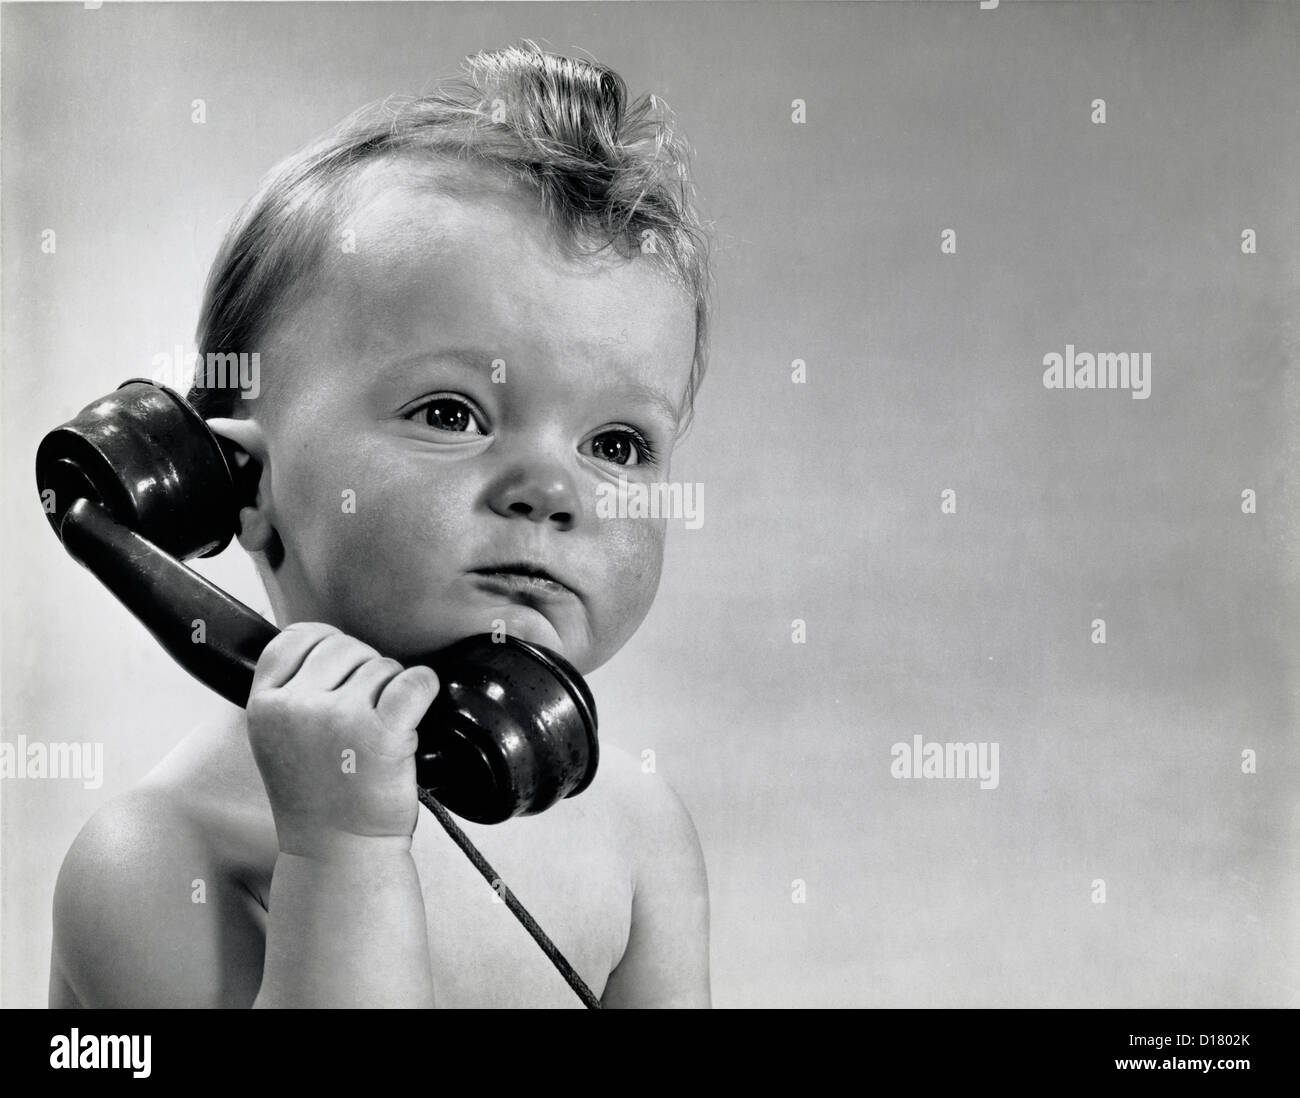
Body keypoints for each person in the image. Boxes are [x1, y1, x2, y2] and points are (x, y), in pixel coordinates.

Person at [49, 43, 712, 1008]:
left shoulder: (636, 831)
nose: (551, 488)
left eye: (615, 443)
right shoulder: (157, 858)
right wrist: (342, 851)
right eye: (450, 414)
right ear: (242, 482)